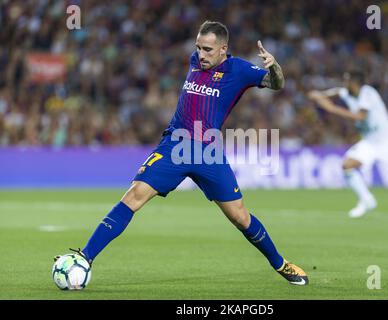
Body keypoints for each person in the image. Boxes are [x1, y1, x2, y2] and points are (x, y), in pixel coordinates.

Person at [56, 21, 308, 285]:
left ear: (224, 49)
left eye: (208, 49)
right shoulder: (195, 61)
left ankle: (281, 264)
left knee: (239, 216)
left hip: (207, 152)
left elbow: (276, 84)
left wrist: (275, 67)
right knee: (133, 196)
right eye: (198, 48)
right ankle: (85, 257)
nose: (201, 54)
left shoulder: (240, 70)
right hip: (175, 145)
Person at [307, 70, 388, 222]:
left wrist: (331, 108)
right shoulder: (347, 92)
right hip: (370, 142)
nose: (344, 83)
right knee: (347, 165)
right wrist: (319, 94)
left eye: (347, 80)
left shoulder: (368, 93)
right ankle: (367, 200)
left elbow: (360, 116)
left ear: (355, 82)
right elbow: (336, 92)